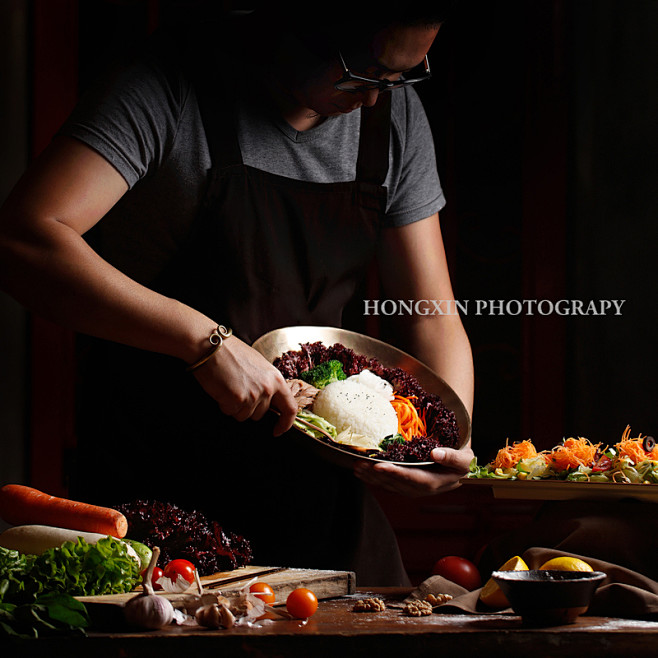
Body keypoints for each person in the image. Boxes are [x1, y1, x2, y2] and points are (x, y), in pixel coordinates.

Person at [0, 3, 474, 585]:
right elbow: (24, 238)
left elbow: (429, 315)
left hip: (321, 509)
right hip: (161, 501)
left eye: (402, 76)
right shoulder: (169, 86)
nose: (377, 98)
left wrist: (453, 430)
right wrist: (204, 342)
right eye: (362, 73)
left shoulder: (391, 114)